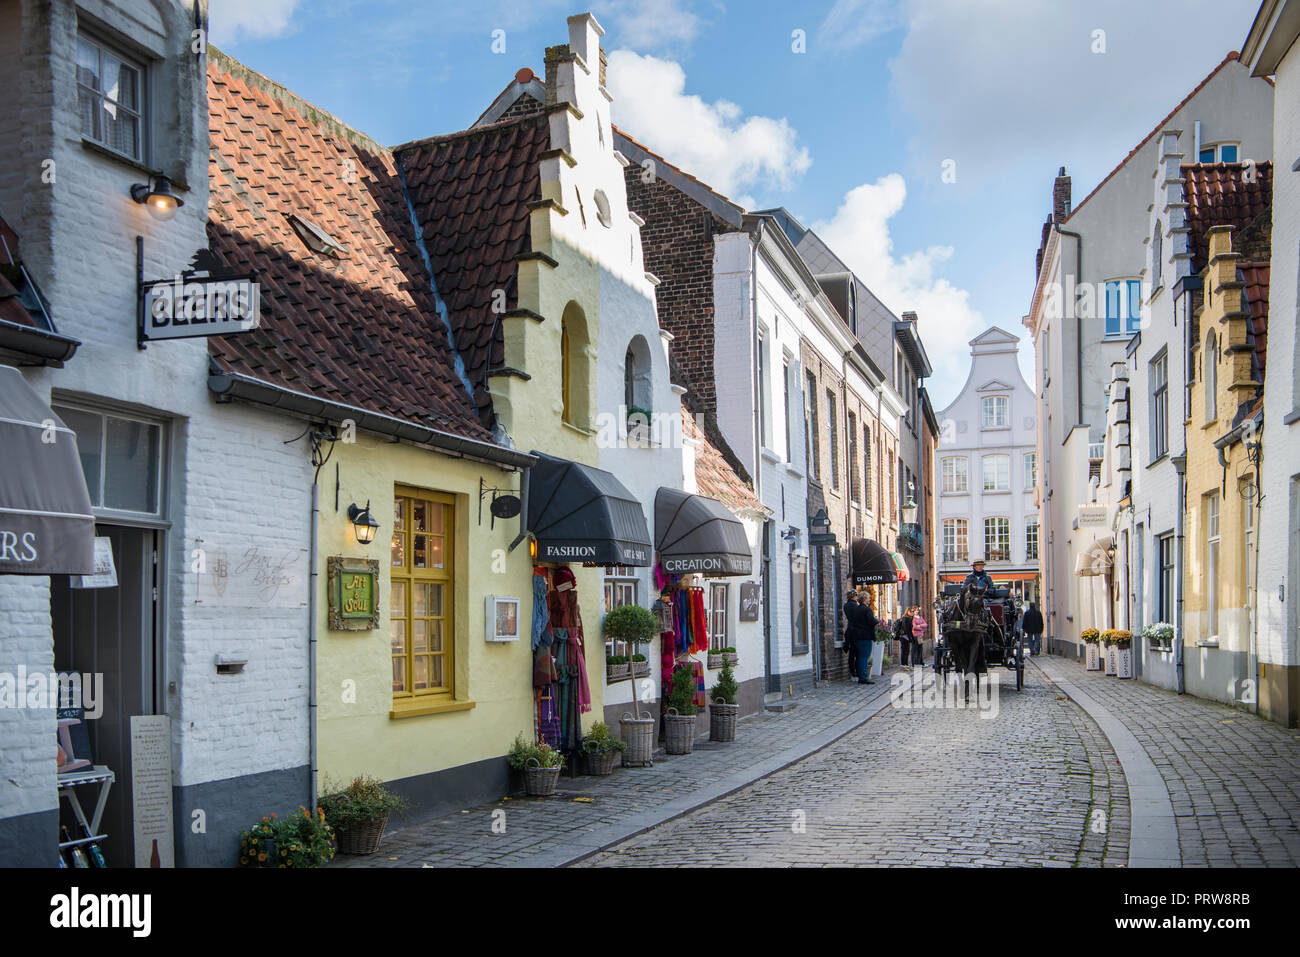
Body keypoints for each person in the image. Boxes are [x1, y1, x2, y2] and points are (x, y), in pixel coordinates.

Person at [846, 590, 878, 684]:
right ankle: (863, 678)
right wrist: (877, 621)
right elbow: (871, 621)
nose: (869, 599)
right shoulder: (866, 609)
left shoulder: (857, 609)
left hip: (856, 636)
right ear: (864, 599)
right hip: (865, 636)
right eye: (868, 598)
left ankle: (861, 676)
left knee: (860, 657)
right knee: (864, 657)